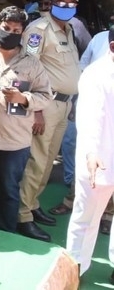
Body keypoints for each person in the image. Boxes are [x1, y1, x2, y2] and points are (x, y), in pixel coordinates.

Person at [0, 6, 52, 234]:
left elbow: (46, 96)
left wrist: (23, 98)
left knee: (8, 191)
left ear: (22, 33)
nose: (10, 32)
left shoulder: (32, 64)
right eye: (6, 28)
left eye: (16, 30)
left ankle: (8, 234)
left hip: (13, 141)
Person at [16, 0, 81, 241]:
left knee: (49, 158)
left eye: (71, 3)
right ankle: (22, 215)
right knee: (38, 160)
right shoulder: (38, 30)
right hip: (47, 104)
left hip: (65, 104)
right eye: (61, 1)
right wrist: (36, 109)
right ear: (51, 2)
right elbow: (26, 68)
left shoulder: (69, 29)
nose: (66, 6)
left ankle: (32, 204)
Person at [65, 29, 114, 280]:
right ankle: (75, 268)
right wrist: (93, 152)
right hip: (98, 156)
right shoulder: (96, 75)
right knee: (86, 217)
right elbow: (90, 117)